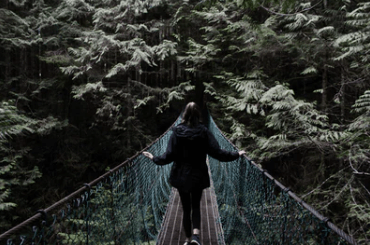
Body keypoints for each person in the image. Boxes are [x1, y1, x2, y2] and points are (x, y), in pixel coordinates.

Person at [143, 102, 245, 245]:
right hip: (198, 175)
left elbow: (169, 156)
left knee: (186, 208)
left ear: (183, 115)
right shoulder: (204, 132)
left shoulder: (177, 132)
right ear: (198, 115)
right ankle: (196, 238)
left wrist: (154, 158)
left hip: (180, 176)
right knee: (196, 205)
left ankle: (187, 240)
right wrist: (236, 154)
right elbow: (218, 153)